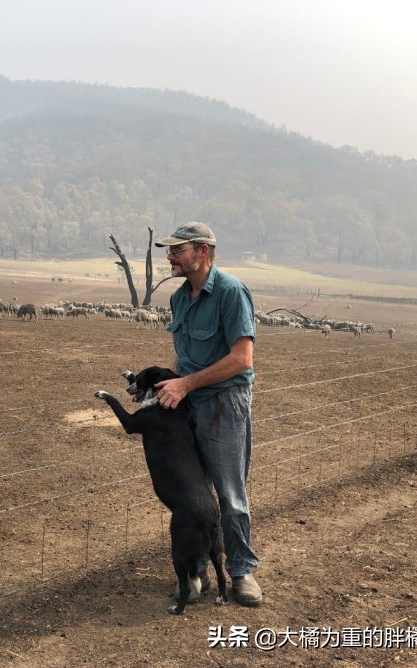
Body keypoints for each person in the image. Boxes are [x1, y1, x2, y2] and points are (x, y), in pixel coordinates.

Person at [153, 222, 262, 607]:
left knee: (230, 493)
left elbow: (241, 359)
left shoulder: (231, 292)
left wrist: (185, 384)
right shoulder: (180, 298)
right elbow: (187, 359)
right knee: (195, 494)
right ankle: (197, 569)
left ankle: (241, 570)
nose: (170, 257)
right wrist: (163, 384)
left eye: (177, 250)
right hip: (189, 407)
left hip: (223, 404)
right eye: (169, 251)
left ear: (202, 251)